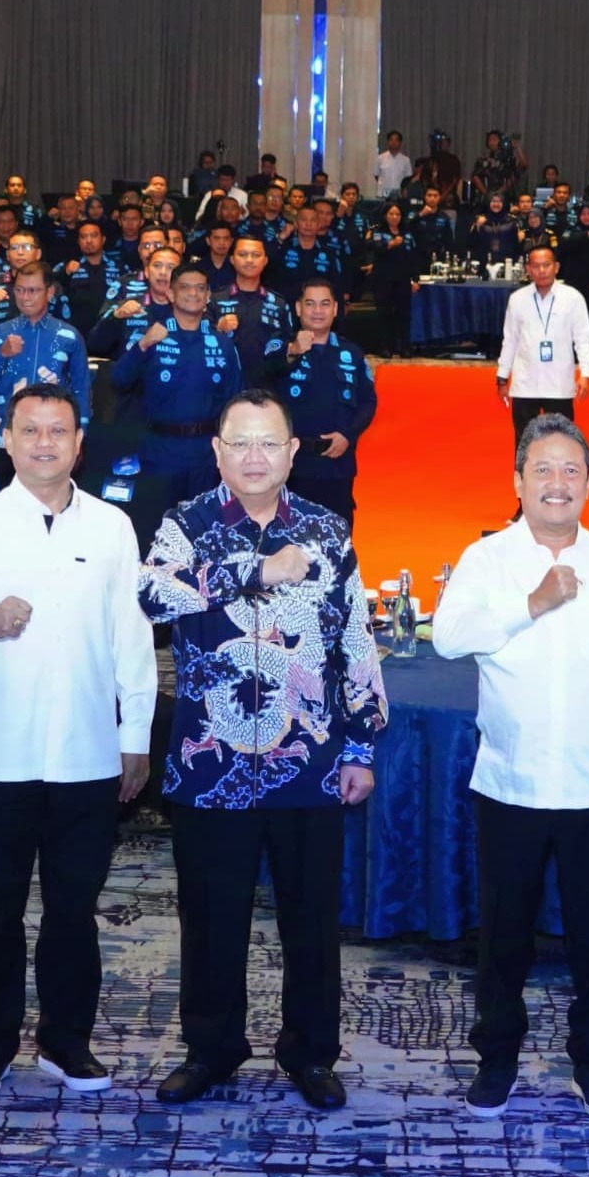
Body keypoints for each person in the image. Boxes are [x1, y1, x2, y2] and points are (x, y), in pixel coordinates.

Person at [139, 390, 385, 1110]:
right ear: (216, 450)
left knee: (311, 920)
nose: (253, 457)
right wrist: (251, 572)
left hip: (306, 763)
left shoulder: (326, 531)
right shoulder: (185, 524)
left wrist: (361, 745)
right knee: (210, 917)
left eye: (268, 444)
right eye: (239, 443)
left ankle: (310, 1053)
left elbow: (355, 643)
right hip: (211, 764)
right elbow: (152, 595)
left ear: (291, 452)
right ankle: (211, 1049)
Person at [428, 414, 589, 1121]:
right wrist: (532, 604)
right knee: (503, 936)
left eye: (570, 471)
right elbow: (446, 638)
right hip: (511, 783)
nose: (556, 484)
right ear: (518, 481)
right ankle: (496, 1057)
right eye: (543, 470)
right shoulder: (487, 560)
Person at [0, 383, 154, 1099]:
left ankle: (66, 1043)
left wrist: (136, 734)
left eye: (59, 431)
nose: (45, 443)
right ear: (8, 439)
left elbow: (133, 637)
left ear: (80, 442)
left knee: (72, 907)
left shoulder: (113, 527)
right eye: (31, 431)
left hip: (87, 752)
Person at [105, 263, 242, 543]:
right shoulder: (152, 335)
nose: (193, 293)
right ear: (170, 293)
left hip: (206, 454)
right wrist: (143, 345)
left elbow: (236, 401)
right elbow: (119, 380)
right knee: (158, 532)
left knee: (205, 533)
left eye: (200, 288)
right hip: (160, 451)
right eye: (185, 287)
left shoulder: (222, 343)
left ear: (207, 297)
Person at [263, 279, 376, 525]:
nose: (317, 311)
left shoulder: (351, 352)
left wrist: (348, 434)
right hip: (292, 465)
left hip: (337, 462)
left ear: (335, 309)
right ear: (298, 308)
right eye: (310, 304)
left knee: (337, 538)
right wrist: (293, 351)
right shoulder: (280, 345)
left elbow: (368, 401)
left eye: (325, 304)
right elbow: (262, 375)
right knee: (288, 540)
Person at [0, 262, 90, 474]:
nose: (25, 297)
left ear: (50, 292)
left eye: (32, 290)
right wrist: (1, 355)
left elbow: (81, 391)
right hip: (5, 439)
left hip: (53, 441)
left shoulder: (69, 336)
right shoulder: (1, 332)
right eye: (19, 290)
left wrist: (80, 438)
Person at [496, 244, 589, 439]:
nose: (541, 271)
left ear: (556, 267)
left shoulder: (573, 298)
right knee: (525, 442)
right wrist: (502, 378)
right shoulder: (517, 299)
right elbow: (510, 340)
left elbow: (583, 340)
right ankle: (522, 472)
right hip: (525, 384)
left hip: (559, 384)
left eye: (547, 265)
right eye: (536, 266)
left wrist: (585, 373)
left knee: (560, 442)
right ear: (528, 270)